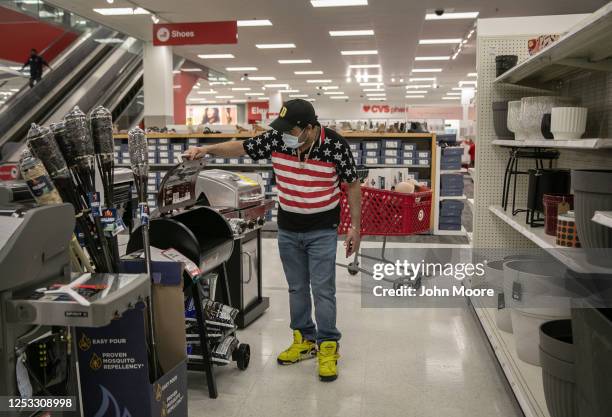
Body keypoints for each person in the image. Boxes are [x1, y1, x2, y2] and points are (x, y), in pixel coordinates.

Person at [184, 99, 361, 382]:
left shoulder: (334, 145)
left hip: (322, 228)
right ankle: (304, 340)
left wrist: (355, 228)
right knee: (296, 288)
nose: (285, 135)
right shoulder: (278, 140)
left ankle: (328, 345)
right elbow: (241, 146)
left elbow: (352, 184)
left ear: (310, 129)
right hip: (289, 228)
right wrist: (206, 149)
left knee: (323, 289)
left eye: (291, 130)